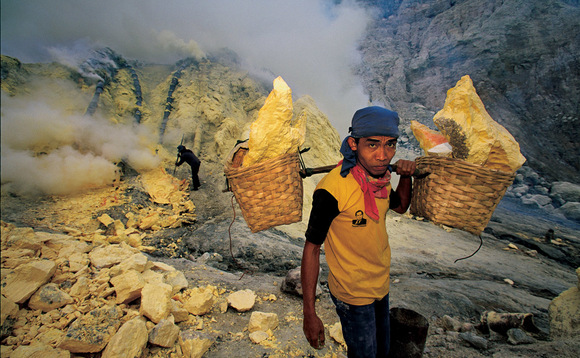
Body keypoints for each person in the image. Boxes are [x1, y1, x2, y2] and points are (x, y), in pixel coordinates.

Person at [301, 106, 416, 357]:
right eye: (372, 145)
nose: (383, 155)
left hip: (380, 285)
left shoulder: (382, 179)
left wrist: (406, 177)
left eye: (390, 145)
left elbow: (400, 206)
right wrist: (309, 314)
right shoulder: (332, 189)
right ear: (354, 144)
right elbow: (311, 249)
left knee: (382, 351)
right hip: (352, 294)